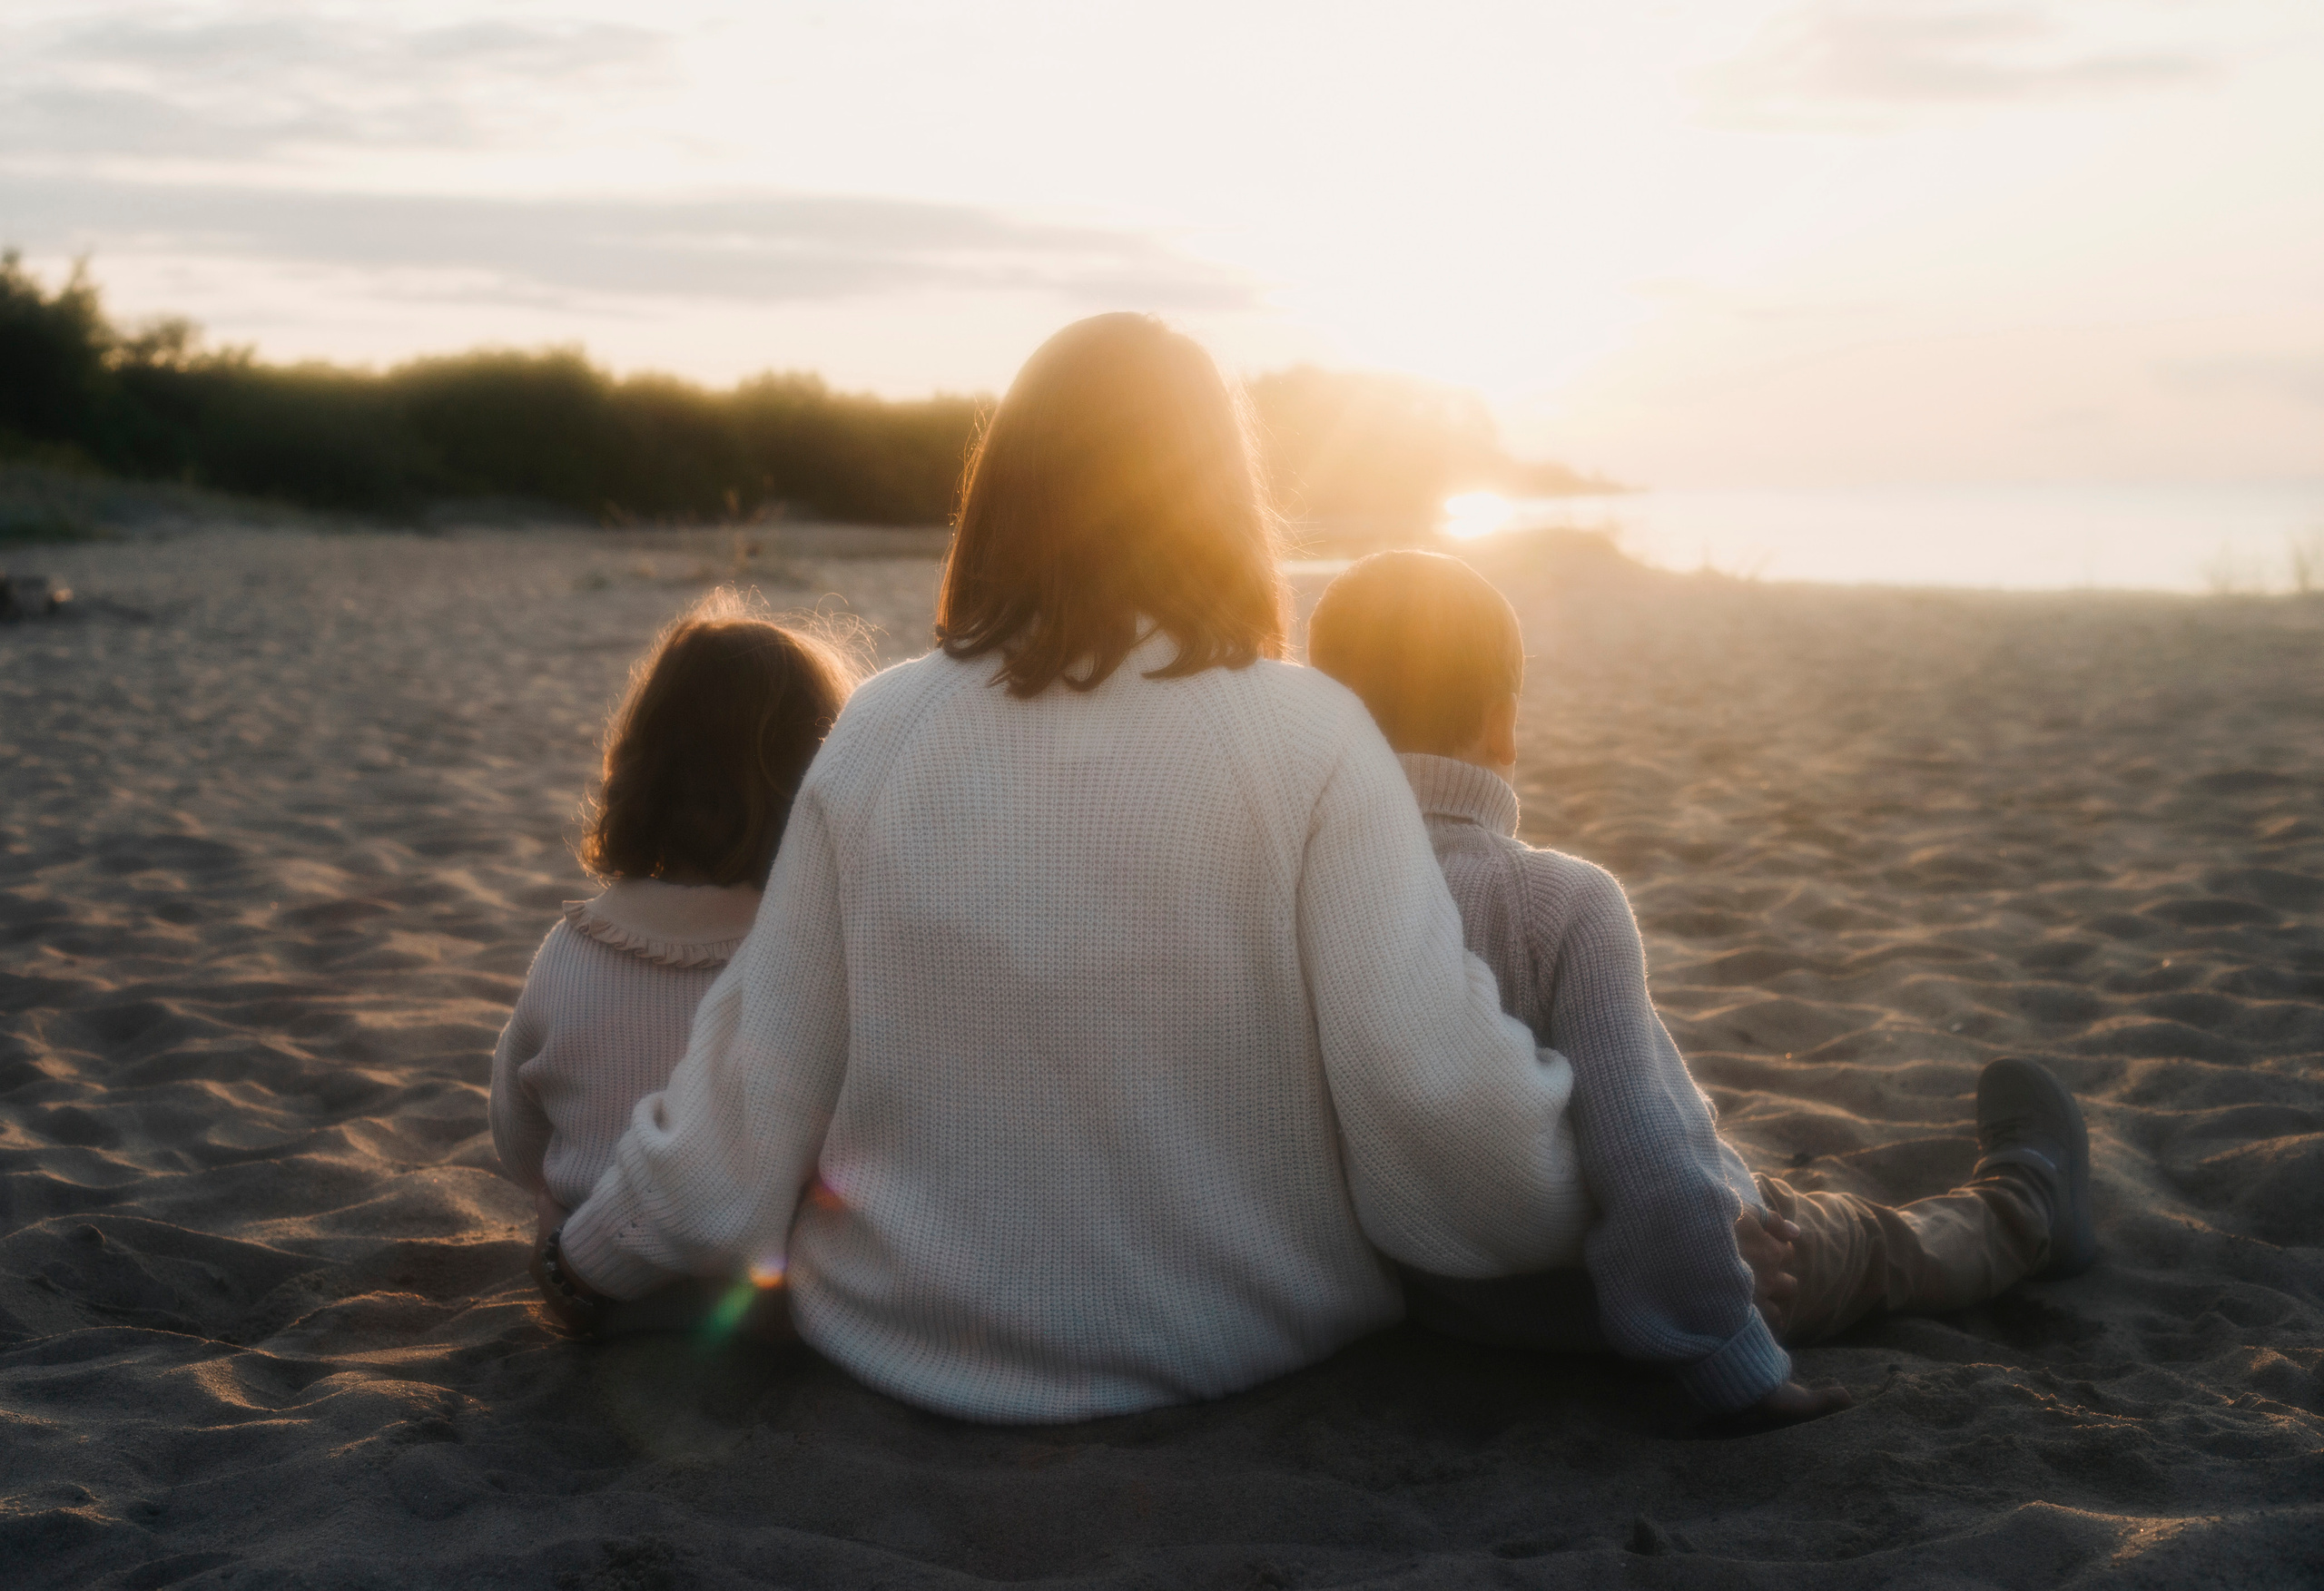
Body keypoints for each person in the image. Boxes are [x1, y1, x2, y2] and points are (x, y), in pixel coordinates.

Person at [534, 313, 1592, 1422]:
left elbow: (750, 1100)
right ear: (1221, 495)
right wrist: (1605, 1200)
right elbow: (1426, 1095)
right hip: (1251, 1342)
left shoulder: (879, 730)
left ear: (1003, 492)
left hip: (899, 1338)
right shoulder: (1316, 735)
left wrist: (581, 1265)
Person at [1305, 549, 2098, 1422]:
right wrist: (1730, 1358)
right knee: (1872, 1245)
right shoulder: (1558, 901)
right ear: (1503, 727)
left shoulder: (1311, 894)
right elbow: (1643, 1143)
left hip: (1460, 1310)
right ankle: (2028, 1207)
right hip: (1668, 1293)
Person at [491, 592, 854, 1335]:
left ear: (640, 763)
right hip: (768, 1301)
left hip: (595, 1287)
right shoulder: (815, 957)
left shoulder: (572, 948)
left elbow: (516, 1135)